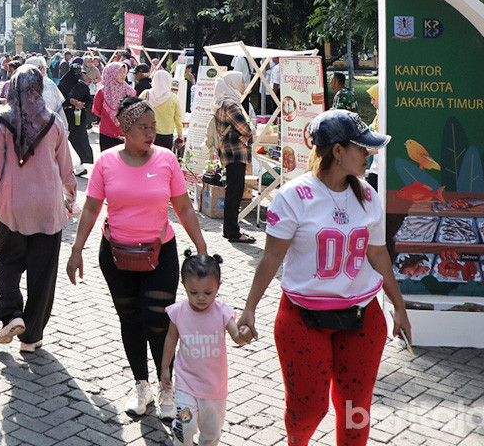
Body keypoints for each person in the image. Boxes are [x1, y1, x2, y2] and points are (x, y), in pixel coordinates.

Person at [236, 109, 411, 446]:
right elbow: (271, 257)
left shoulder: (368, 195)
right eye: (362, 148)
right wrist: (250, 309)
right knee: (307, 411)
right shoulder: (293, 197)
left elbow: (377, 254)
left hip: (363, 316)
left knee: (355, 411)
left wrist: (398, 306)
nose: (369, 155)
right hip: (303, 318)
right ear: (338, 151)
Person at [67, 96, 210, 419]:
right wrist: (76, 251)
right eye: (143, 127)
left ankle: (167, 386)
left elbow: (183, 206)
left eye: (153, 127)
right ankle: (141, 384)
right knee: (130, 319)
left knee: (158, 321)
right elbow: (91, 208)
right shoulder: (105, 162)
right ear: (126, 130)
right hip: (117, 255)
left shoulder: (166, 159)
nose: (150, 133)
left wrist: (201, 248)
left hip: (160, 254)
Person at [0, 66, 76, 352]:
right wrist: (70, 198)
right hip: (48, 207)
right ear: (39, 86)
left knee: (8, 263)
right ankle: (32, 337)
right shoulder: (55, 121)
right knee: (43, 274)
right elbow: (66, 167)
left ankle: (12, 314)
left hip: (12, 206)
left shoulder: (2, 120)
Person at [160, 252, 250, 443]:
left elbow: (237, 337)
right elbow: (170, 339)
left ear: (218, 287)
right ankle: (180, 436)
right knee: (185, 426)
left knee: (211, 434)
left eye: (208, 292)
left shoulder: (223, 312)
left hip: (214, 388)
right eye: (194, 292)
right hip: (186, 383)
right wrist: (165, 367)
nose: (201, 298)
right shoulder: (178, 312)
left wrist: (244, 335)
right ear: (184, 286)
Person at [213, 71, 255, 244]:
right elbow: (247, 129)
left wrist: (248, 133)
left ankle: (229, 229)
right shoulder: (231, 105)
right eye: (242, 82)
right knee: (234, 193)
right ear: (233, 84)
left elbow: (246, 131)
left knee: (233, 192)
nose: (244, 86)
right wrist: (249, 133)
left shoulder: (226, 102)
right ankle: (233, 232)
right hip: (235, 154)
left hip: (231, 153)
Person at [58, 57, 94, 175]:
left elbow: (89, 99)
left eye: (80, 74)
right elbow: (58, 100)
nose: (78, 76)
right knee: (67, 140)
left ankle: (80, 164)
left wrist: (82, 104)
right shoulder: (62, 85)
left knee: (80, 138)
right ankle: (69, 165)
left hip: (79, 116)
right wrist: (69, 101)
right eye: (76, 74)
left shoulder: (82, 86)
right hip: (66, 116)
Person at [93, 61, 132, 151]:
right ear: (111, 73)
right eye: (119, 72)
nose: (123, 75)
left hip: (125, 132)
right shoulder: (102, 92)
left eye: (124, 72)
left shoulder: (129, 91)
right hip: (106, 132)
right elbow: (97, 110)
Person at [142, 69, 183, 152]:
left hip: (148, 132)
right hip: (167, 134)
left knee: (149, 159)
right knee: (164, 159)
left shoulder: (146, 94)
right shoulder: (173, 98)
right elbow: (178, 119)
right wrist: (179, 135)